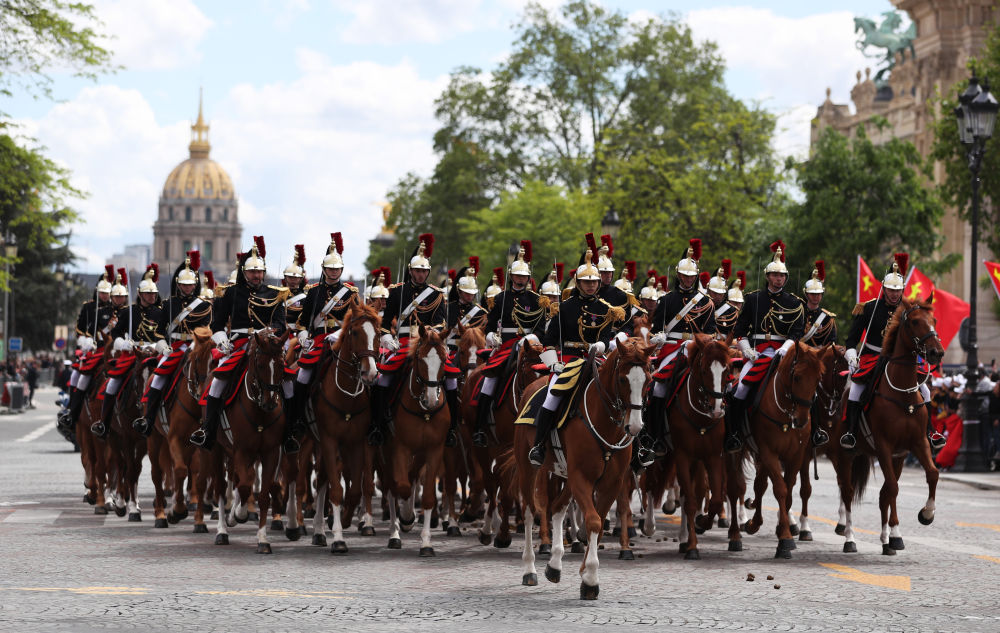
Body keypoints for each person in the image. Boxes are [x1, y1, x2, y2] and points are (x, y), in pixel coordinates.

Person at [527, 249, 626, 466]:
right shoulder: (564, 308)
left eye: (594, 282)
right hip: (568, 360)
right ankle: (539, 445)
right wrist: (552, 363)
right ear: (578, 283)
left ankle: (632, 447)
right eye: (585, 282)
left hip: (596, 359)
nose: (590, 286)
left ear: (599, 283)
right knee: (552, 395)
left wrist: (604, 344)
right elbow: (549, 340)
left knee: (623, 390)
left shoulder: (607, 309)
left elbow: (608, 337)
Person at [190, 237, 287, 451]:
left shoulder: (274, 293)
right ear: (244, 272)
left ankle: (290, 429)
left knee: (288, 381)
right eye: (253, 272)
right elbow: (216, 324)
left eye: (260, 271)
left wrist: (270, 332)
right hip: (239, 344)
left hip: (266, 345)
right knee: (216, 384)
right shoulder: (231, 293)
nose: (257, 275)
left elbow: (280, 322)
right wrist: (222, 340)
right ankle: (208, 429)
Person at [840, 253, 944, 450]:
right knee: (855, 390)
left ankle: (930, 431)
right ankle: (851, 432)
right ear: (883, 288)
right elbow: (852, 340)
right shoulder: (868, 308)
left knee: (925, 390)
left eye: (898, 290)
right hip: (872, 356)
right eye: (890, 289)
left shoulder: (909, 312)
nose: (894, 294)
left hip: (899, 360)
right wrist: (852, 356)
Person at [727, 240, 806, 453]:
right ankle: (734, 433)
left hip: (784, 353)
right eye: (775, 275)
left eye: (782, 276)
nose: (778, 279)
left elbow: (797, 331)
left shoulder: (795, 303)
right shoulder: (753, 299)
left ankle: (811, 433)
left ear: (785, 278)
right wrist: (747, 349)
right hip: (758, 352)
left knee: (808, 388)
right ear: (768, 277)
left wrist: (787, 346)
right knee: (741, 388)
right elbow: (740, 329)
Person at [370, 234, 448, 446]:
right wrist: (386, 336)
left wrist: (431, 334)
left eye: (424, 271)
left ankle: (452, 427)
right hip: (403, 343)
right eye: (417, 271)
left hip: (428, 343)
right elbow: (386, 322)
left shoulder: (437, 295)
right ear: (411, 271)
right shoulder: (396, 292)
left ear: (428, 272)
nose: (421, 275)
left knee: (451, 378)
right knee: (381, 379)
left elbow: (441, 324)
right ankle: (378, 424)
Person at [644, 239, 716, 459]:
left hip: (696, 349)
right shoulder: (667, 300)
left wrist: (696, 342)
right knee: (657, 389)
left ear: (696, 277)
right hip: (671, 349)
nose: (687, 279)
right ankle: (653, 435)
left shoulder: (706, 302)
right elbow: (655, 330)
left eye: (691, 276)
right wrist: (659, 336)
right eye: (684, 276)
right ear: (678, 276)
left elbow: (712, 332)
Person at [473, 241, 546, 448]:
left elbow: (541, 328)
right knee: (490, 379)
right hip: (506, 346)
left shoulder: (537, 300)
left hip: (531, 345)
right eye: (517, 276)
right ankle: (479, 427)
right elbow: (489, 324)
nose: (521, 279)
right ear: (511, 276)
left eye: (524, 276)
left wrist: (531, 339)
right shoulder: (500, 298)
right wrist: (489, 337)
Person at [289, 233, 360, 441]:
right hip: (318, 341)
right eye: (330, 269)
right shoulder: (313, 291)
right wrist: (303, 337)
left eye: (337, 269)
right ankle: (298, 419)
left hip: (343, 340)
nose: (334, 272)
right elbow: (302, 322)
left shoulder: (351, 293)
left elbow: (356, 319)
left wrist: (339, 333)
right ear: (324, 269)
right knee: (301, 377)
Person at [133, 256, 211, 437]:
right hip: (174, 348)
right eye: (184, 284)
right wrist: (163, 348)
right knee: (157, 378)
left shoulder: (204, 306)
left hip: (196, 348)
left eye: (190, 284)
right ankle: (149, 419)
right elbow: (159, 332)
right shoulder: (168, 304)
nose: (187, 287)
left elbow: (206, 330)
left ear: (195, 285)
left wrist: (196, 345)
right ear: (178, 284)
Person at [92, 266, 163, 438]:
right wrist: (123, 344)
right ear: (139, 294)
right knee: (112, 383)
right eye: (148, 294)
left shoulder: (161, 312)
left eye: (153, 294)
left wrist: (158, 347)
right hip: (133, 353)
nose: (151, 297)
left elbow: (165, 335)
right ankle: (104, 422)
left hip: (154, 353)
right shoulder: (128, 312)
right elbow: (115, 334)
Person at [57, 266, 117, 433]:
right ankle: (72, 411)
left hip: (112, 350)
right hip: (93, 348)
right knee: (78, 375)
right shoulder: (89, 307)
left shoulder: (117, 310)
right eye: (102, 292)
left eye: (107, 292)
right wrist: (85, 340)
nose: (105, 295)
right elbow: (80, 328)